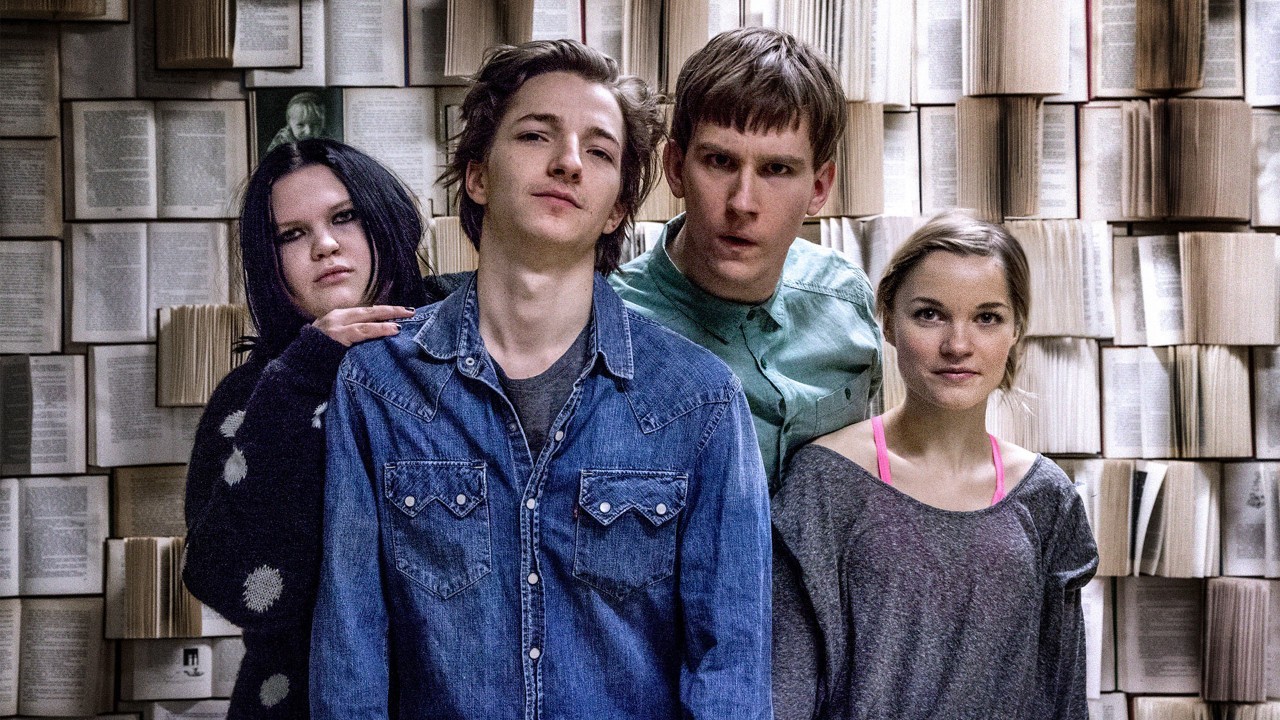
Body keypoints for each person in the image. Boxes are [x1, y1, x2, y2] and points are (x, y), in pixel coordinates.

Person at [310, 39, 772, 719]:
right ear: (477, 176)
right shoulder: (380, 384)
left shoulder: (698, 400)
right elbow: (351, 650)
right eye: (535, 135)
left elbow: (730, 670)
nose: (568, 162)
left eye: (600, 151)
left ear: (616, 210)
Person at [771, 213, 1099, 719]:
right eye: (929, 314)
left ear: (1016, 329)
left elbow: (1063, 697)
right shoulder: (825, 481)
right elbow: (786, 690)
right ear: (888, 321)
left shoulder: (1046, 497)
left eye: (987, 318)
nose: (958, 345)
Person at [183, 138, 446, 718]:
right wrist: (301, 377)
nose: (324, 245)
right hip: (292, 698)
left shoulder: (468, 341)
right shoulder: (253, 395)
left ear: (388, 219)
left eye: (344, 217)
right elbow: (227, 580)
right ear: (270, 261)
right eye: (292, 234)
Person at [611, 27, 882, 492]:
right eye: (720, 161)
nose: (742, 203)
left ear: (819, 188)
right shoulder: (608, 324)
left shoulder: (846, 300)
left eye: (776, 169)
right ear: (675, 168)